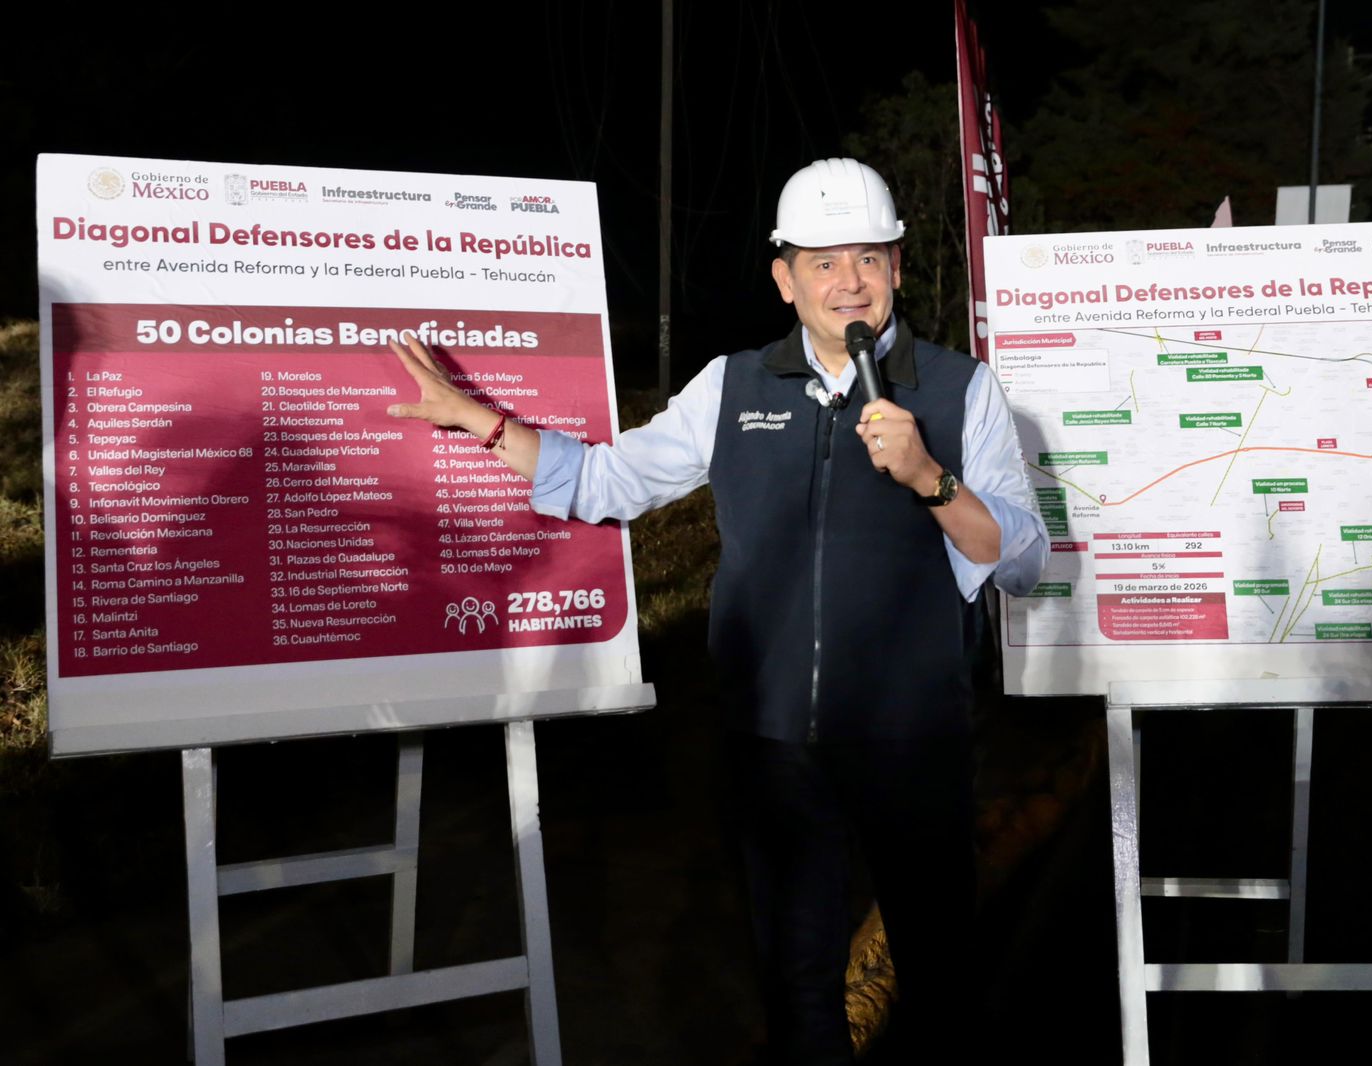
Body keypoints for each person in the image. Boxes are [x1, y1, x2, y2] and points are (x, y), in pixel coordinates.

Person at [388, 157, 1045, 1065]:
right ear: (784, 278)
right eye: (822, 262)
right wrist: (479, 420)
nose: (848, 282)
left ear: (897, 266)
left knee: (937, 979)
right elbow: (605, 481)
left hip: (913, 740)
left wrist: (930, 476)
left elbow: (1021, 560)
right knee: (796, 983)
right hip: (774, 744)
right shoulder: (731, 386)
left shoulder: (961, 388)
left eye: (867, 257)